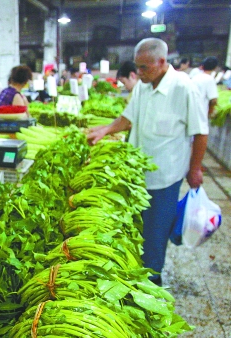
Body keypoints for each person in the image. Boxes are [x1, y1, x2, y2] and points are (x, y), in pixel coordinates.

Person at [87, 38, 208, 285]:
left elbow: (200, 132)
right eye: (138, 67)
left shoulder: (184, 88)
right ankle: (137, 277)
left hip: (164, 179)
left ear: (162, 62)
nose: (139, 73)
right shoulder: (143, 86)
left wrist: (195, 168)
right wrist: (105, 130)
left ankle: (152, 285)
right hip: (136, 177)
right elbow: (127, 119)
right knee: (138, 231)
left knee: (154, 236)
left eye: (145, 68)